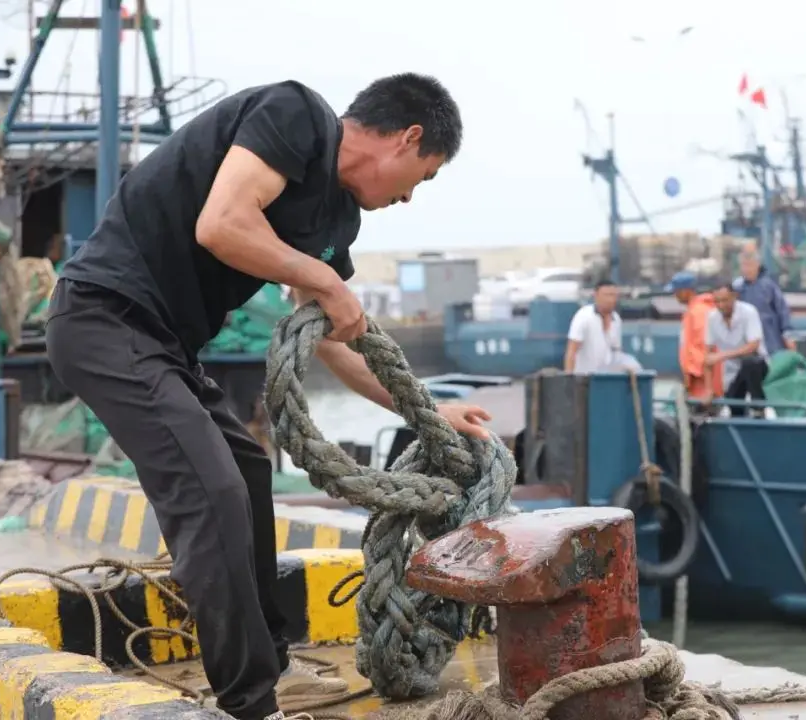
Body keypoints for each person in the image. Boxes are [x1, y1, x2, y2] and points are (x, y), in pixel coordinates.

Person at [44, 75, 493, 720]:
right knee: (211, 492)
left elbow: (337, 339)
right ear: (407, 138)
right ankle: (250, 704)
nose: (409, 199)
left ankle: (274, 663)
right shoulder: (296, 115)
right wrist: (320, 280)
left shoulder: (337, 219)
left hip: (164, 345)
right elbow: (222, 223)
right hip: (102, 320)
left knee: (249, 472)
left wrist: (424, 409)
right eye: (420, 178)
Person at [705, 284, 769, 417]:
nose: (721, 305)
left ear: (734, 297)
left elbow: (753, 346)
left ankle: (759, 408)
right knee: (734, 405)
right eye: (717, 301)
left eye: (725, 300)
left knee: (750, 362)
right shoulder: (712, 318)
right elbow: (708, 357)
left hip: (757, 369)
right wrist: (709, 389)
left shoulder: (749, 312)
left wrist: (722, 355)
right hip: (732, 374)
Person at [564, 279, 641, 373]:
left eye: (613, 295)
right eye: (607, 295)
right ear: (596, 296)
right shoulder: (583, 316)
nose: (611, 300)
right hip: (584, 377)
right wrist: (569, 379)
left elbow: (616, 351)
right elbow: (572, 351)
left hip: (604, 377)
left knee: (634, 365)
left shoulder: (616, 319)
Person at [668, 271, 721, 402]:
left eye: (677, 291)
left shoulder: (699, 311)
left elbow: (703, 346)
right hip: (698, 379)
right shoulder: (694, 310)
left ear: (686, 291)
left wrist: (693, 375)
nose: (675, 295)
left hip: (701, 381)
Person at [732, 251, 795, 355]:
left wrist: (788, 335)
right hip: (746, 342)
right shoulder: (736, 288)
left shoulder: (769, 286)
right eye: (743, 266)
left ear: (757, 265)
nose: (746, 269)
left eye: (749, 265)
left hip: (770, 339)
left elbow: (782, 311)